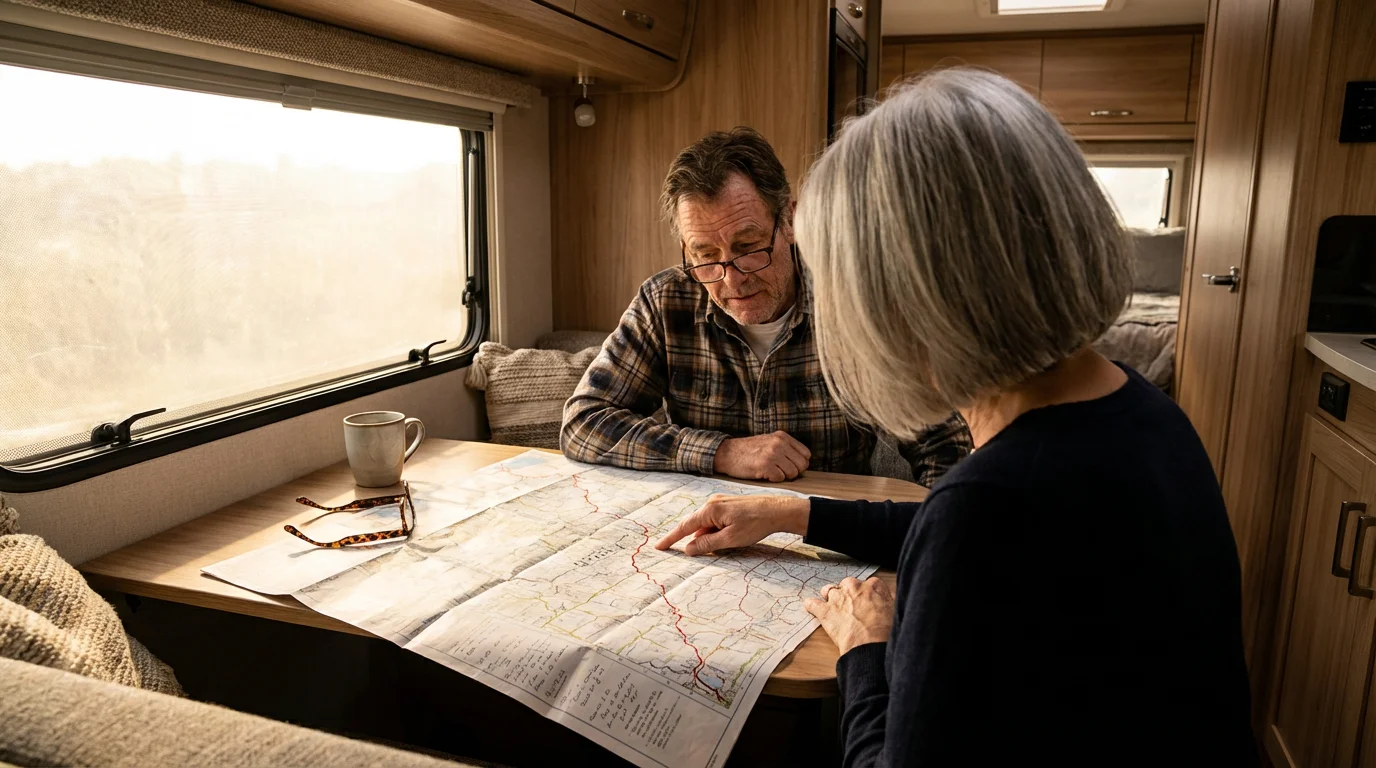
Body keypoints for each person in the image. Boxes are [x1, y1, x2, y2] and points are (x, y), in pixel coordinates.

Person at [656, 70, 1255, 765]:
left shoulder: (986, 509)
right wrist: (792, 514)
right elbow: (991, 531)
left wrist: (866, 650)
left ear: (908, 296)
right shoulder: (1144, 413)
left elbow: (969, 531)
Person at [560, 127, 970, 486]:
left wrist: (928, 543)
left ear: (789, 220)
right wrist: (722, 453)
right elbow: (582, 424)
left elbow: (945, 446)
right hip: (708, 540)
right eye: (705, 255)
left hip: (827, 540)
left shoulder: (855, 302)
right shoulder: (665, 302)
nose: (732, 280)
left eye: (748, 247)